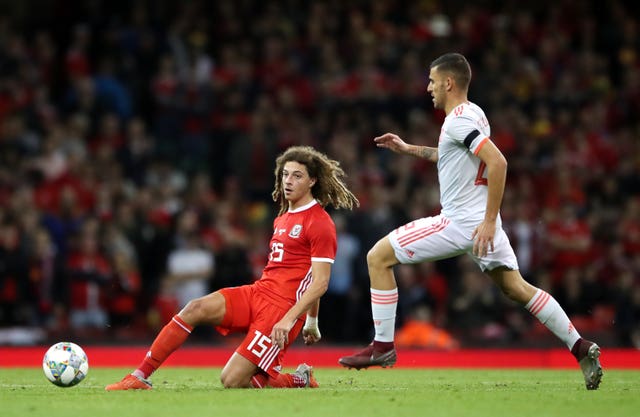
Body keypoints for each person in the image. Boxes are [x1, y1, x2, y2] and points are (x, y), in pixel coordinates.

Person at [338, 53, 603, 390]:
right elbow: (448, 154)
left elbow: (498, 163)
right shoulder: (474, 114)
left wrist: (490, 220)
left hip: (462, 223)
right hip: (479, 222)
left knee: (377, 256)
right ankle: (580, 346)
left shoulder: (458, 121)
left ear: (449, 83)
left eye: (432, 81)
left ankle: (383, 346)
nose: (428, 87)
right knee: (516, 288)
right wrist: (408, 149)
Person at [106, 145, 359, 390]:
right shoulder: (283, 217)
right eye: (285, 174)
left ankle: (299, 379)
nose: (288, 181)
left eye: (297, 176)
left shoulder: (320, 223)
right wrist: (310, 322)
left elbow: (319, 282)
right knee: (195, 308)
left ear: (312, 181)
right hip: (259, 293)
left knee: (232, 380)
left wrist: (299, 320)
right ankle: (139, 376)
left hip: (281, 311)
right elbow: (305, 274)